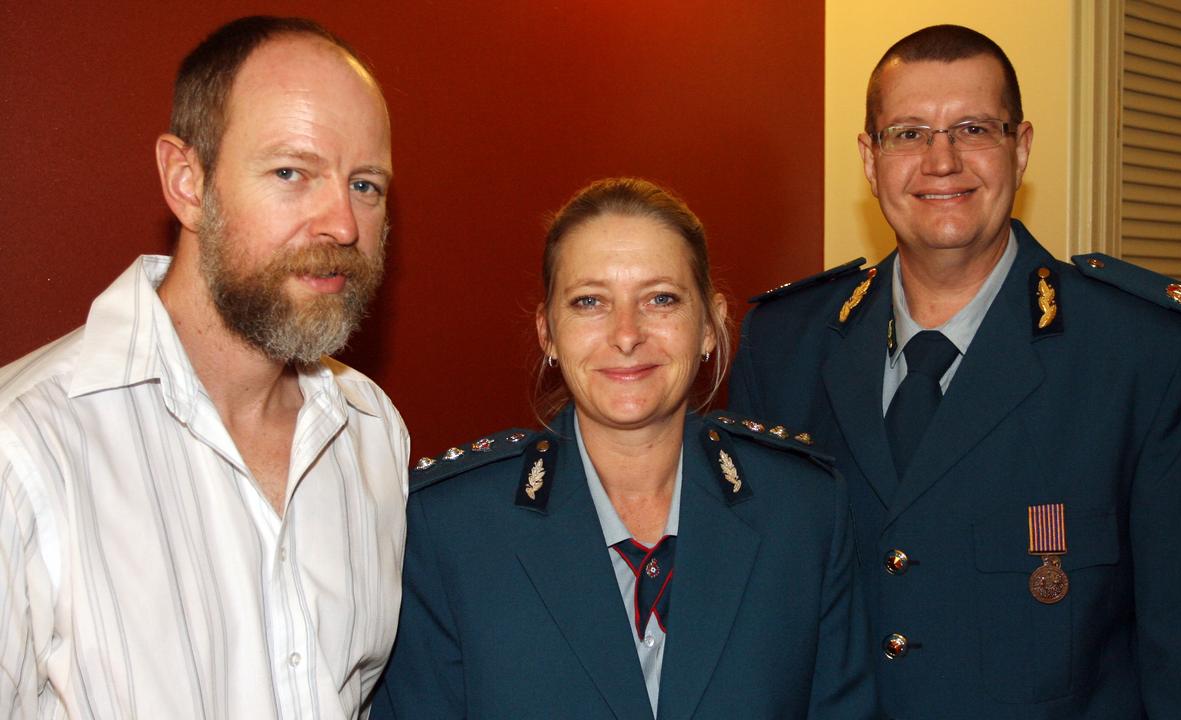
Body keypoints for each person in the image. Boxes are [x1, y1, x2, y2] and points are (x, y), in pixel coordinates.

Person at [729, 24, 1181, 719]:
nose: (940, 161)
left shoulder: (1150, 357)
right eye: (908, 133)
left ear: (1022, 147)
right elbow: (749, 625)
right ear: (870, 157)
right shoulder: (785, 345)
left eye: (973, 127)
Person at [0, 16, 408, 718]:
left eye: (365, 185)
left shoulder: (372, 431)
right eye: (292, 172)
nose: (343, 223)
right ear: (187, 181)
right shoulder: (26, 445)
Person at [372, 178, 873, 719]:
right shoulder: (449, 528)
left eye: (661, 299)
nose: (627, 334)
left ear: (709, 324)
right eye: (590, 302)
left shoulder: (804, 511)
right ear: (548, 334)